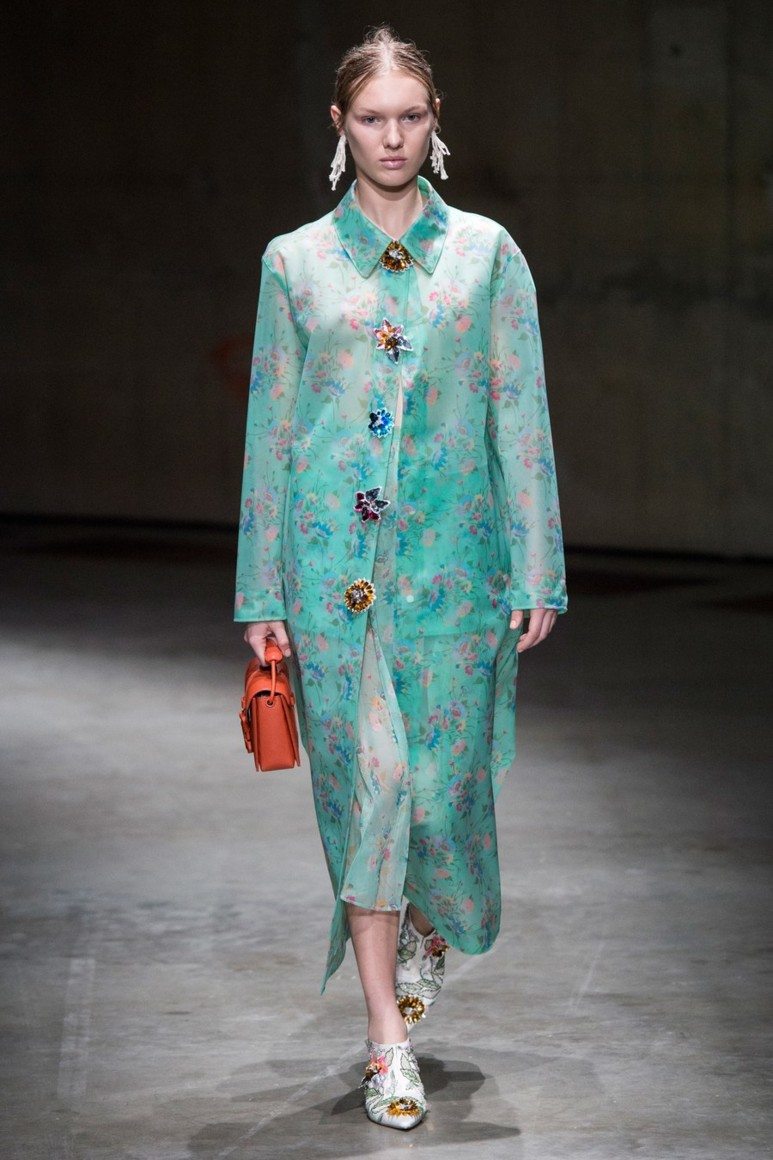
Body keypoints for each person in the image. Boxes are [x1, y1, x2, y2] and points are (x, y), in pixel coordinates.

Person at [234, 25, 567, 1131]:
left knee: (447, 795)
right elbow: (271, 432)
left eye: (410, 117)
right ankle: (387, 1037)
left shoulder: (485, 254)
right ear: (339, 126)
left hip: (454, 574)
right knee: (371, 794)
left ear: (435, 123)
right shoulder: (293, 262)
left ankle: (427, 926)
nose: (392, 137)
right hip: (329, 579)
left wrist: (537, 564)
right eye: (371, 118)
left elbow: (518, 415)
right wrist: (260, 595)